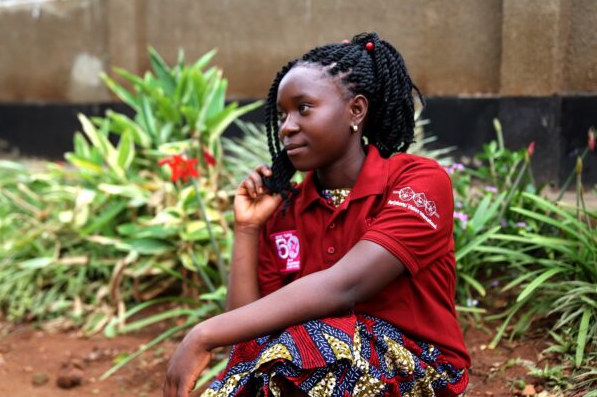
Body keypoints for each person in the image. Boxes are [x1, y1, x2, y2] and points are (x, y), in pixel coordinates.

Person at [163, 32, 470, 397]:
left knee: (310, 342)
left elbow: (346, 286)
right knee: (268, 358)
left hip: (421, 368)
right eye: (282, 114)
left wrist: (203, 334)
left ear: (356, 110)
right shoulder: (286, 210)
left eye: (303, 108)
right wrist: (247, 228)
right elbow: (245, 343)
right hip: (316, 363)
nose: (287, 126)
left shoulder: (416, 181)